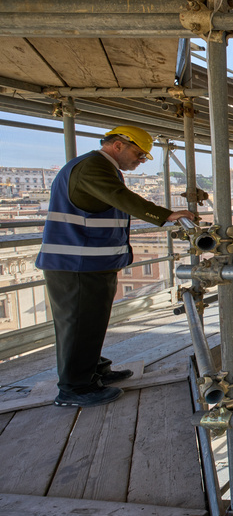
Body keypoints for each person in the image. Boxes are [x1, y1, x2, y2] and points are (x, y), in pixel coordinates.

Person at [36, 126, 196, 408]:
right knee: (79, 324)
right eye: (138, 153)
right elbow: (120, 198)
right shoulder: (92, 167)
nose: (141, 160)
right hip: (77, 262)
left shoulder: (98, 167)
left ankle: (94, 371)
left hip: (88, 261)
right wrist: (166, 215)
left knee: (90, 322)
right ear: (119, 145)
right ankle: (75, 388)